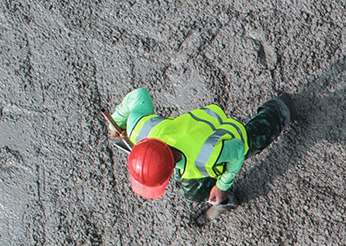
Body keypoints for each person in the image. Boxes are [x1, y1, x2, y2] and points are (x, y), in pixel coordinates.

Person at [106, 88, 289, 207]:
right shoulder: (138, 128)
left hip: (224, 137)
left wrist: (222, 185)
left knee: (254, 139)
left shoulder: (206, 154)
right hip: (188, 137)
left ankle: (278, 110)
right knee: (193, 191)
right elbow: (139, 95)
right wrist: (119, 119)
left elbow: (238, 149)